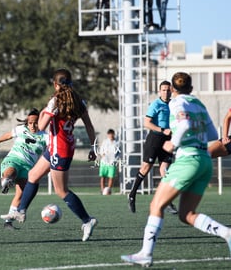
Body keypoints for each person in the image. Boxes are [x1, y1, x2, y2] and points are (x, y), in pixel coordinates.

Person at [121, 72, 231, 267]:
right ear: (190, 88)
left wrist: (173, 144)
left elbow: (184, 124)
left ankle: (146, 254)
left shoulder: (176, 103)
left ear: (172, 89)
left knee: (156, 206)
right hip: (204, 161)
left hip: (187, 160)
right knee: (186, 214)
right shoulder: (198, 104)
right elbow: (213, 133)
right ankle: (227, 233)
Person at [0, 68, 98, 242]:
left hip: (59, 150)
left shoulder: (55, 102)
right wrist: (93, 147)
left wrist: (46, 111)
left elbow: (41, 127)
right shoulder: (79, 101)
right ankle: (20, 211)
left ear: (55, 84)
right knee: (33, 175)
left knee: (61, 190)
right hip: (60, 146)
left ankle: (87, 220)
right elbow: (89, 126)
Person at [0, 108, 48, 230]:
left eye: (36, 123)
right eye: (30, 123)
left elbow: (52, 150)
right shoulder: (21, 130)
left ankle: (8, 222)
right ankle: (6, 181)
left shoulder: (45, 137)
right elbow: (8, 135)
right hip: (13, 159)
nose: (33, 125)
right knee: (11, 172)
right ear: (27, 123)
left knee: (21, 194)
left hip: (28, 168)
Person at [128, 81, 177, 214]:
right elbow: (147, 123)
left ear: (171, 91)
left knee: (165, 170)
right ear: (159, 91)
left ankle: (167, 202)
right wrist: (162, 130)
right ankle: (132, 195)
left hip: (168, 140)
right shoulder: (156, 104)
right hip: (155, 138)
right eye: (163, 90)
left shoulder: (174, 104)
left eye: (168, 90)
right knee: (146, 168)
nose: (166, 92)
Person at [98, 129, 120, 194]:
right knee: (103, 176)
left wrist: (116, 159)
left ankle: (108, 190)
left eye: (112, 134)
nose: (111, 135)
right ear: (108, 135)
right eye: (109, 134)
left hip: (112, 162)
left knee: (111, 177)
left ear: (114, 134)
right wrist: (102, 155)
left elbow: (119, 153)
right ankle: (102, 190)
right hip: (104, 162)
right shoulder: (105, 142)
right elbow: (101, 150)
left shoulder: (117, 143)